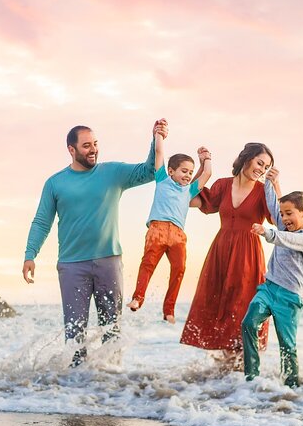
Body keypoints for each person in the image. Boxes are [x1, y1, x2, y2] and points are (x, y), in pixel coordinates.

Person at [22, 119, 169, 367]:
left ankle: (109, 387)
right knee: (75, 333)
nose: (93, 150)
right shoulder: (55, 183)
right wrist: (30, 254)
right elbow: (41, 222)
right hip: (71, 267)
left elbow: (149, 171)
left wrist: (156, 139)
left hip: (108, 262)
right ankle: (77, 391)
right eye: (87, 145)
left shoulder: (112, 173)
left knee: (111, 330)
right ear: (72, 149)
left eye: (96, 144)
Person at [180, 143, 280, 367]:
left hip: (248, 256)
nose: (261, 169)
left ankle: (246, 370)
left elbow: (278, 219)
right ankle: (227, 372)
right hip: (221, 252)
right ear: (247, 159)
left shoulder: (263, 190)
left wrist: (274, 185)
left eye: (266, 167)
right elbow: (190, 198)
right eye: (259, 163)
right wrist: (204, 164)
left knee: (244, 308)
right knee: (220, 307)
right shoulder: (223, 185)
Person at [243, 171, 303, 387]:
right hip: (268, 289)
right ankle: (251, 379)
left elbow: (287, 239)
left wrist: (268, 233)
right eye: (283, 215)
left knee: (287, 344)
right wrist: (269, 181)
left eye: (289, 214)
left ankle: (291, 388)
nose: (284, 219)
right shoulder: (284, 226)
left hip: (289, 297)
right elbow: (273, 204)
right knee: (248, 323)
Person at [127, 133, 212, 323]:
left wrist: (206, 158)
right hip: (157, 230)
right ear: (171, 171)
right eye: (184, 171)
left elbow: (207, 173)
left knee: (179, 269)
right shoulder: (162, 179)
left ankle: (169, 310)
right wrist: (159, 135)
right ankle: (137, 298)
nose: (188, 175)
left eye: (190, 172)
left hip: (178, 235)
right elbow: (158, 152)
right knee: (148, 264)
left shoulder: (189, 190)